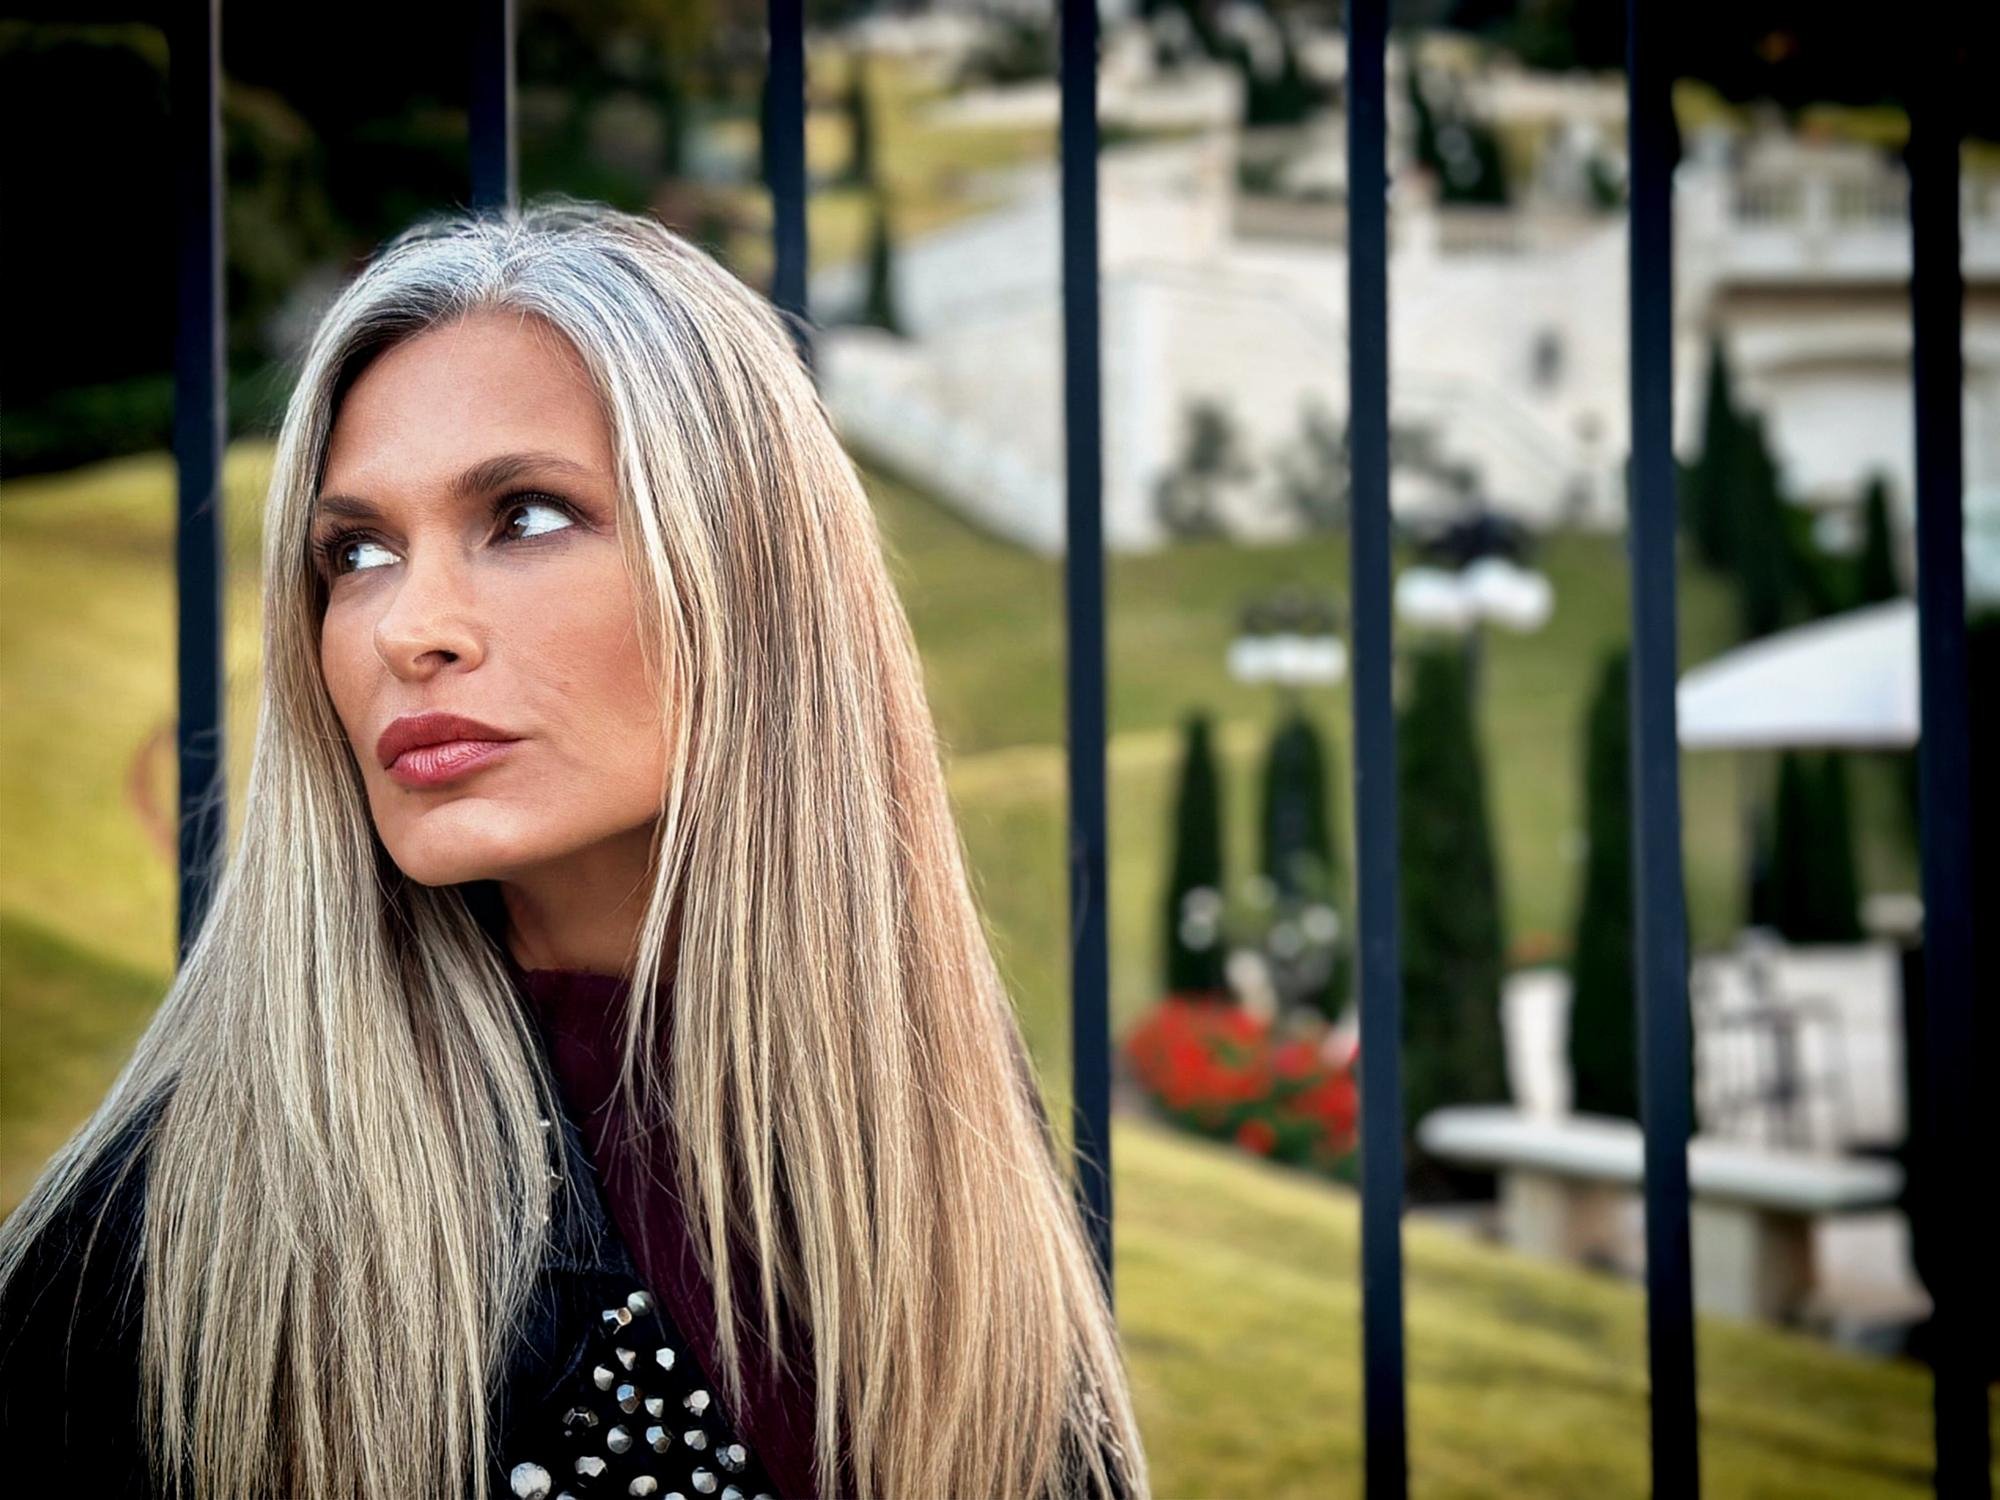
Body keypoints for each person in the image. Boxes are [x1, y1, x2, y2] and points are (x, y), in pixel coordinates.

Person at [0, 197, 1147, 1500]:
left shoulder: (935, 1139)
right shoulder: (165, 1242)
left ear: (750, 574)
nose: (406, 630)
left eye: (526, 517)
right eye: (358, 552)